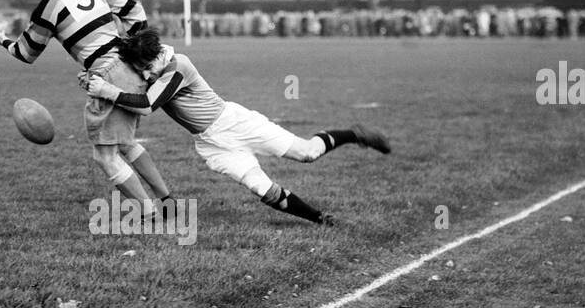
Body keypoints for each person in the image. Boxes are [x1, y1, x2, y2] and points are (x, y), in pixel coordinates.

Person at [83, 27, 390, 226]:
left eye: (148, 68)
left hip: (234, 123)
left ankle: (355, 135)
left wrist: (107, 91)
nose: (146, 75)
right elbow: (139, 91)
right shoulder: (156, 69)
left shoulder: (179, 65)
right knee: (263, 189)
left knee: (306, 153)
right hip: (211, 143)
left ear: (158, 55)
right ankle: (321, 219)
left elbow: (148, 105)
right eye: (142, 71)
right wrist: (98, 81)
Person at [0, 0, 172, 212]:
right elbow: (134, 9)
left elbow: (26, 52)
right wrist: (131, 48)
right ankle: (166, 201)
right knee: (126, 143)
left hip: (107, 76)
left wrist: (2, 41)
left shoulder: (48, 5)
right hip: (130, 67)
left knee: (105, 156)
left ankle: (149, 213)